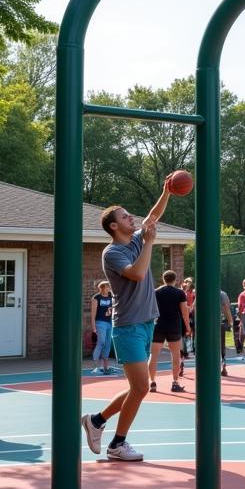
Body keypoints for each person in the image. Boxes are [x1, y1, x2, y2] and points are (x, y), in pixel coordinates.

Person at [81, 179, 172, 462]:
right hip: (128, 326)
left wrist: (166, 191)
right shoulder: (114, 252)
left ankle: (97, 422)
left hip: (146, 323)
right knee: (142, 387)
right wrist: (150, 243)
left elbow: (152, 217)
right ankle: (115, 442)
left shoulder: (134, 239)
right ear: (113, 226)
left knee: (138, 388)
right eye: (124, 216)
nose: (130, 217)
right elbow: (138, 273)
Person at [149, 270, 189, 394]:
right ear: (175, 279)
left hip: (158, 325)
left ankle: (152, 382)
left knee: (153, 355)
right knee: (175, 355)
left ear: (163, 279)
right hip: (174, 326)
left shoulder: (156, 292)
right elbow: (184, 311)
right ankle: (175, 383)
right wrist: (188, 326)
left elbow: (150, 309)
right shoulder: (180, 293)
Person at [90, 280, 117, 375]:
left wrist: (109, 311)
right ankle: (96, 367)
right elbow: (93, 314)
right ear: (101, 288)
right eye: (106, 287)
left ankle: (106, 368)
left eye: (109, 287)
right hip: (100, 323)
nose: (108, 288)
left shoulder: (110, 297)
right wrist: (93, 327)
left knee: (108, 344)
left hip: (109, 323)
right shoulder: (96, 298)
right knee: (101, 342)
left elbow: (111, 307)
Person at [180, 277, 196, 363]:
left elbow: (194, 301)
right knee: (185, 333)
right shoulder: (183, 290)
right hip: (184, 314)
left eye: (190, 282)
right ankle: (184, 352)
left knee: (191, 332)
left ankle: (191, 349)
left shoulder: (192, 292)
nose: (189, 284)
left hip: (191, 313)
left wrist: (192, 307)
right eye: (188, 282)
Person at [220, 290, 233, 377]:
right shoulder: (222, 294)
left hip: (206, 323)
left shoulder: (202, 292)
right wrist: (230, 321)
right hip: (220, 322)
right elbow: (226, 307)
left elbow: (194, 306)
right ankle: (223, 365)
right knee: (221, 345)